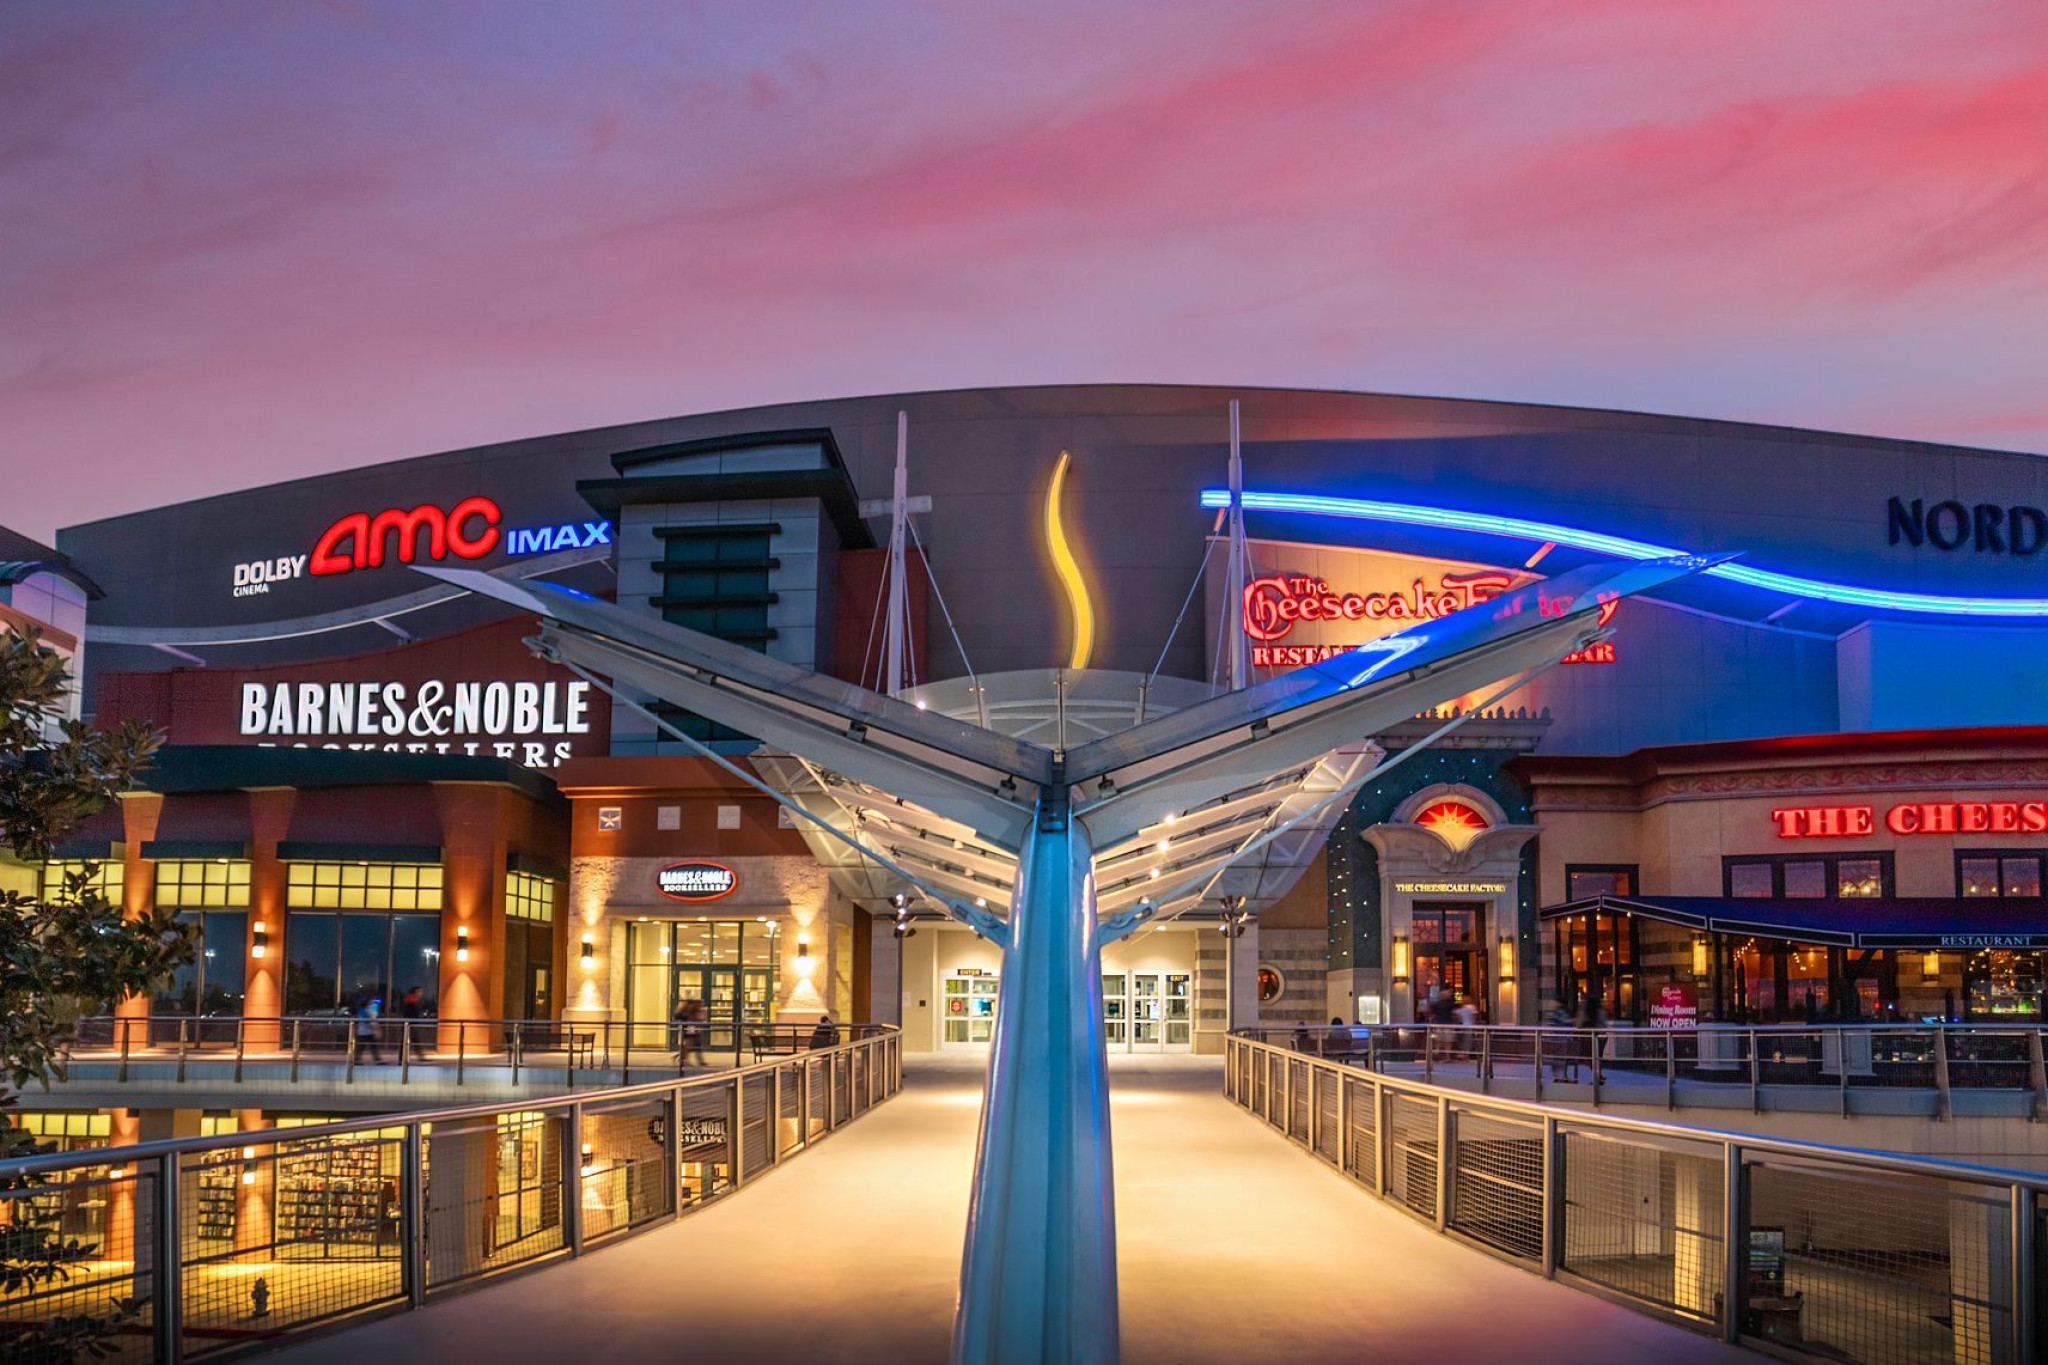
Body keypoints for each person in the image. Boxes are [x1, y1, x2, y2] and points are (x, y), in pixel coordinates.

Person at [354, 996, 386, 1063]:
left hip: (366, 1031)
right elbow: (367, 1020)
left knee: (370, 1046)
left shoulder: (366, 1009)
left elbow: (374, 1016)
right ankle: (357, 1059)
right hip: (365, 1031)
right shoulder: (363, 1010)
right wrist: (374, 1027)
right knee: (364, 1046)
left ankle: (358, 1059)